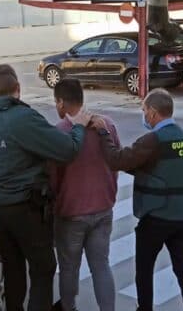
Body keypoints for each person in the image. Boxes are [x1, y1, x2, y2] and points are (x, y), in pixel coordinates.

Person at [0, 64, 91, 311]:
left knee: (13, 270)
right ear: (18, 89)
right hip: (27, 209)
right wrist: (78, 126)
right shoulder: (22, 118)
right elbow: (67, 150)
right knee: (43, 269)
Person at [91, 88, 183, 311]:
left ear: (152, 113)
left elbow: (117, 160)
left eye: (143, 110)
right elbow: (160, 169)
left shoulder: (153, 140)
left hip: (156, 217)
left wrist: (103, 133)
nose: (143, 115)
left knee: (144, 269)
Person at [50, 79, 120, 311]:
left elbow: (53, 177)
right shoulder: (107, 124)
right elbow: (115, 163)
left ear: (61, 102)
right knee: (101, 265)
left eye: (56, 102)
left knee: (69, 268)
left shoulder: (60, 132)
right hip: (102, 209)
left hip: (71, 214)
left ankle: (69, 307)